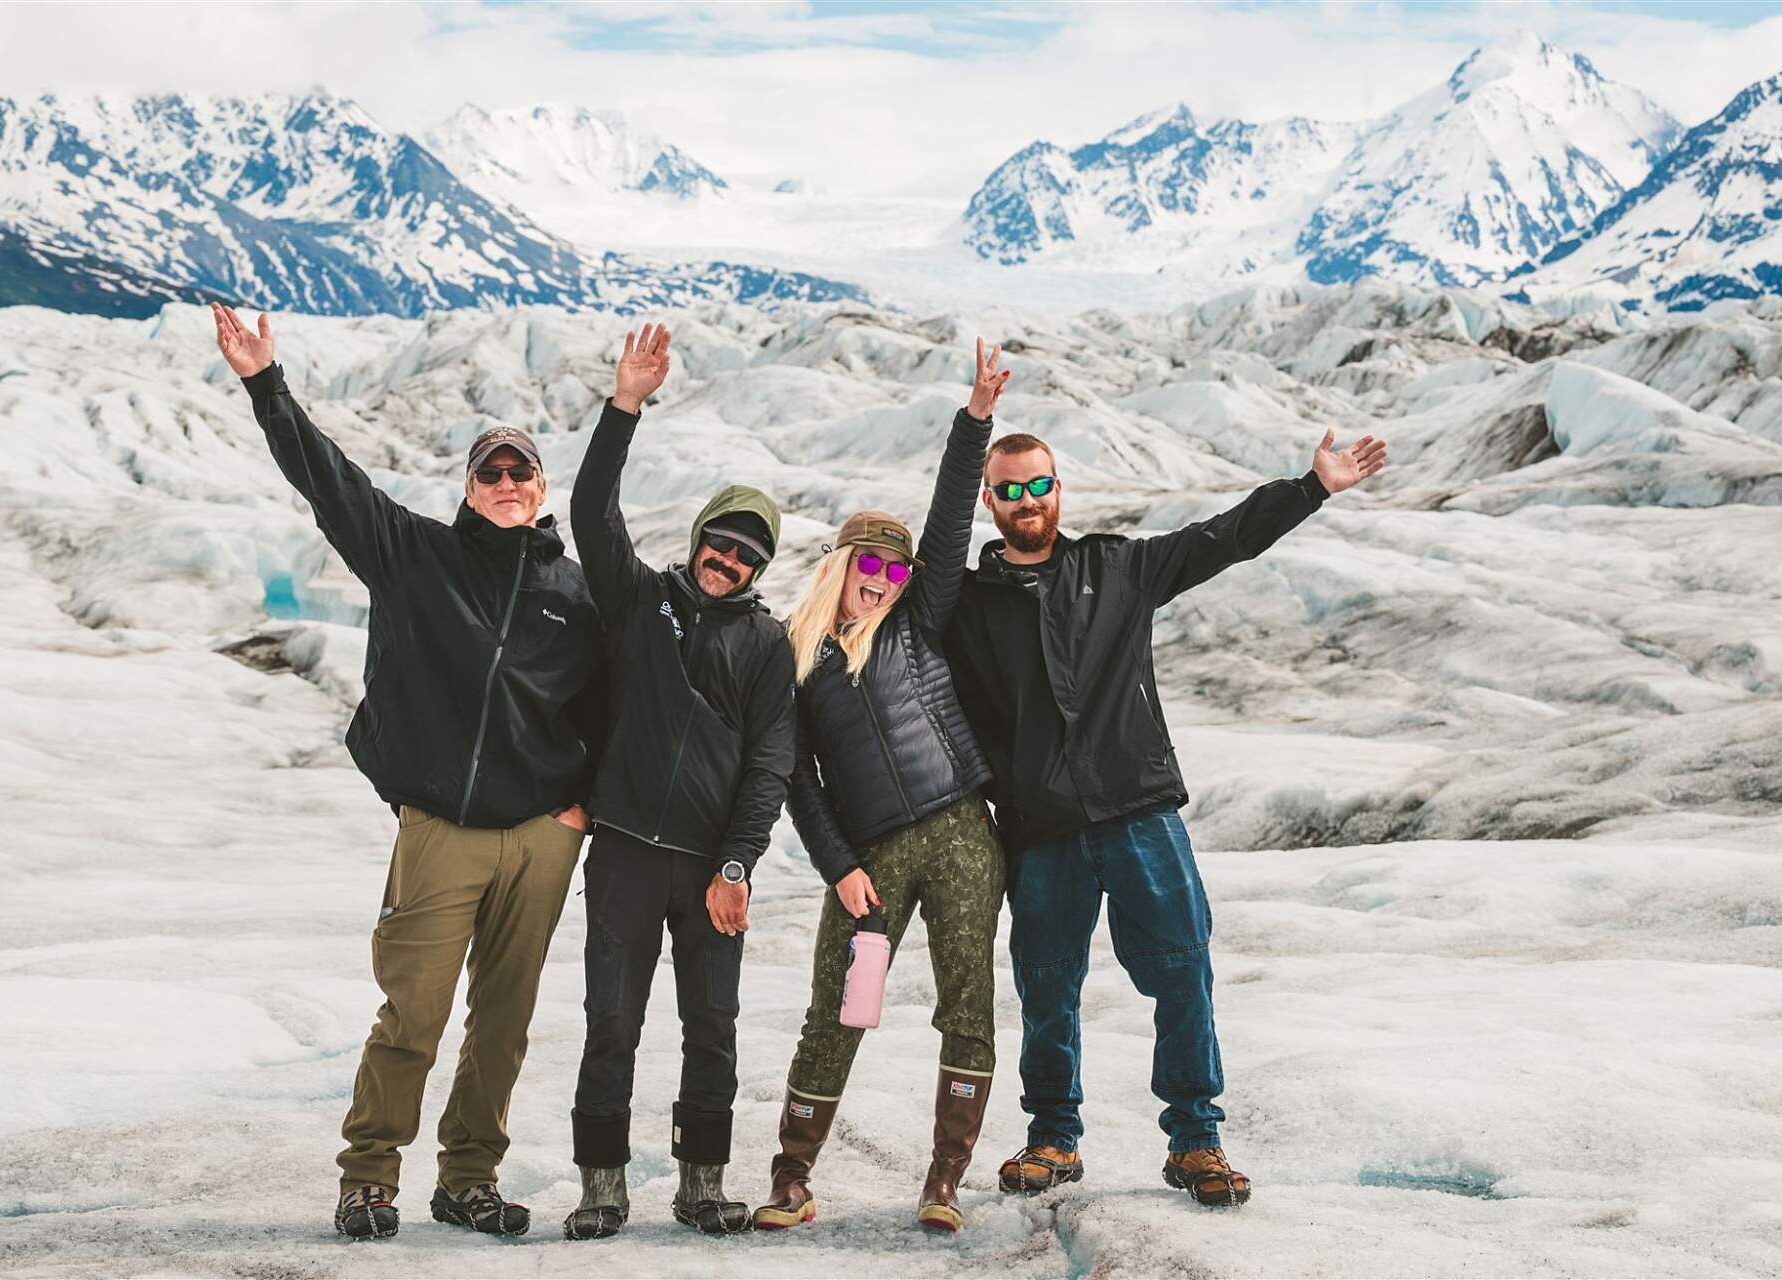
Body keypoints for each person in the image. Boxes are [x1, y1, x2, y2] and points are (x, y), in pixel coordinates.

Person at [211, 303, 602, 1241]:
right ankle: (370, 1176)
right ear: (469, 488)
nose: (507, 483)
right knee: (412, 1015)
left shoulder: (573, 592)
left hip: (542, 837)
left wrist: (580, 808)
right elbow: (328, 482)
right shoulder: (413, 556)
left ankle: (468, 1178)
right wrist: (267, 384)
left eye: (522, 471)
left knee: (502, 1025)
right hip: (439, 830)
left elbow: (608, 707)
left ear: (543, 488)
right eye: (491, 471)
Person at [946, 412, 1389, 1208]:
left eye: (1039, 484)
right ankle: (1053, 1135)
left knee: (1183, 973)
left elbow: (1223, 539)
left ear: (1058, 489)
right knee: (1047, 985)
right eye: (1009, 490)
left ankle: (1197, 1141)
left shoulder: (1118, 568)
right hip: (1041, 827)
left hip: (1136, 808)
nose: (1026, 499)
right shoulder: (968, 605)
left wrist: (1313, 487)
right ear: (989, 501)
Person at [753, 340, 1012, 1235]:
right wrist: (838, 865)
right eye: (872, 564)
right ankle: (791, 1178)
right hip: (871, 862)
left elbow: (946, 527)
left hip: (961, 837)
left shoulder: (919, 625)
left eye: (897, 571)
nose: (885, 580)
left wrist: (973, 420)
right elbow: (795, 779)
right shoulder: (798, 661)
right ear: (841, 562)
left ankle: (944, 1182)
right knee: (845, 1007)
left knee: (967, 1003)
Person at [564, 322, 796, 1239]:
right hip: (623, 853)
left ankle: (701, 1184)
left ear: (758, 570)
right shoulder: (640, 600)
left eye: (746, 554)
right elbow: (591, 516)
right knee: (609, 1025)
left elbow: (771, 762)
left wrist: (736, 864)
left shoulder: (767, 645)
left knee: (714, 1029)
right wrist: (625, 407)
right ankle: (601, 1187)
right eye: (720, 541)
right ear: (699, 537)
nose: (728, 559)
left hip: (707, 867)